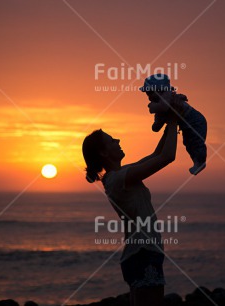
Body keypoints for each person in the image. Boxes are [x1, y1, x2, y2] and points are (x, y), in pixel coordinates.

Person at [82, 114, 178, 306]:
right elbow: (167, 157)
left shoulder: (119, 175)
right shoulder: (118, 179)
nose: (117, 140)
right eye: (111, 141)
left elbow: (156, 154)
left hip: (142, 254)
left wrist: (169, 122)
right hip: (143, 253)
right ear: (103, 153)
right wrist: (176, 119)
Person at [140, 73, 207, 175]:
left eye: (150, 93)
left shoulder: (167, 97)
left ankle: (200, 162)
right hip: (186, 124)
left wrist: (152, 108)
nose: (149, 97)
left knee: (195, 142)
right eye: (147, 94)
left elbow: (163, 108)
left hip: (195, 122)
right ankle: (197, 161)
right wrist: (157, 124)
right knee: (188, 143)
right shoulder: (160, 101)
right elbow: (160, 116)